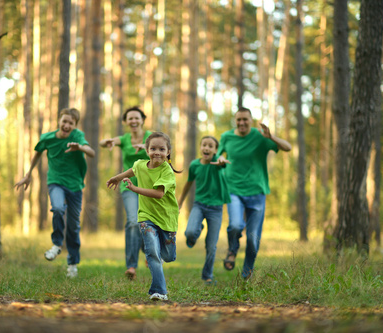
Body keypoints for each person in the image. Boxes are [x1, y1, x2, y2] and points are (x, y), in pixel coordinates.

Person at [15, 108, 95, 278]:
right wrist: (28, 174)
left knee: (73, 227)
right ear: (59, 121)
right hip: (55, 182)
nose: (66, 125)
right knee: (58, 208)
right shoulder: (48, 138)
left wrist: (79, 147)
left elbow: (92, 153)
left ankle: (72, 264)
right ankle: (57, 244)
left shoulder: (77, 136)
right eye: (64, 121)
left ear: (75, 125)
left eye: (71, 123)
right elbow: (37, 153)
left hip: (75, 185)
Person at [217, 107, 291, 280]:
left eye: (245, 119)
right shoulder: (227, 137)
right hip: (233, 189)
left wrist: (271, 137)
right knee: (235, 225)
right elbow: (218, 155)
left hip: (257, 191)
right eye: (239, 120)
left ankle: (247, 272)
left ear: (250, 120)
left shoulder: (260, 136)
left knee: (253, 238)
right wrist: (220, 159)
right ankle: (232, 249)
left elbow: (288, 147)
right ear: (235, 121)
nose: (242, 123)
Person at [106, 132, 180, 301]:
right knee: (152, 252)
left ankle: (161, 253)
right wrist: (117, 178)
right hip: (146, 216)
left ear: (168, 152)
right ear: (147, 150)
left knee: (168, 256)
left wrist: (134, 189)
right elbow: (132, 171)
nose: (157, 152)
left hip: (167, 219)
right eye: (153, 148)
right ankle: (159, 291)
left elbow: (159, 194)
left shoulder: (167, 171)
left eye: (161, 149)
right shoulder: (140, 164)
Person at [99, 106, 151, 280]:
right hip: (128, 186)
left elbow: (164, 150)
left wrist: (147, 147)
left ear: (143, 119)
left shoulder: (150, 137)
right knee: (132, 221)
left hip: (148, 188)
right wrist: (108, 142)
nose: (134, 121)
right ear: (126, 122)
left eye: (137, 118)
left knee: (144, 223)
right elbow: (102, 143)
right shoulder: (124, 138)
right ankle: (131, 266)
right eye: (130, 118)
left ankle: (148, 251)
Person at [178, 136, 231, 284]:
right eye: (204, 145)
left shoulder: (217, 163)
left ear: (215, 150)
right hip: (199, 205)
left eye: (210, 146)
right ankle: (196, 230)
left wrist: (221, 159)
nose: (206, 148)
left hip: (216, 208)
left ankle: (207, 275)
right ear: (200, 147)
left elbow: (222, 163)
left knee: (211, 245)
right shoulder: (194, 165)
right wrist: (180, 202)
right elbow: (188, 184)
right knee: (189, 232)